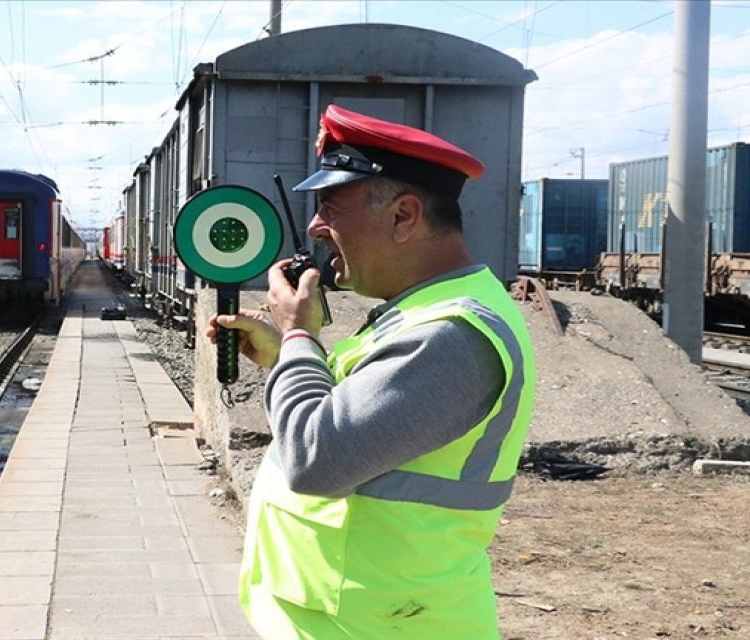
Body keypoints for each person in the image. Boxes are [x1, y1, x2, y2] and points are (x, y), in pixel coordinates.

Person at [209, 105, 536, 639]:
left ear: (404, 216)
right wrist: (282, 356)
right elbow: (361, 416)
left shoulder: (451, 334)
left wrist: (298, 334)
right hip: (359, 617)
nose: (316, 226)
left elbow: (317, 460)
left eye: (330, 207)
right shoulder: (420, 314)